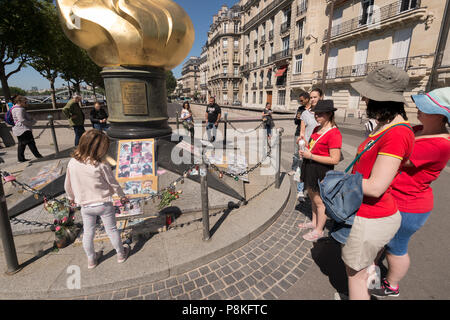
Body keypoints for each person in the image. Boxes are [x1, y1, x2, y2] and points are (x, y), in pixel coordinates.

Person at [341, 64, 415, 300]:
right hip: (372, 214)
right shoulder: (388, 127)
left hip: (373, 216)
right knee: (362, 270)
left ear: (382, 99)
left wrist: (342, 182)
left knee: (355, 275)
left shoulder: (397, 133)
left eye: (368, 94)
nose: (363, 98)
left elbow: (376, 186)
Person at [370, 87, 450, 298]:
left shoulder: (440, 144)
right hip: (398, 198)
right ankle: (373, 270)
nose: (418, 109)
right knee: (384, 241)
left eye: (426, 108)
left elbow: (397, 158)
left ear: (441, 116)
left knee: (396, 248)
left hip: (410, 205)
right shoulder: (418, 129)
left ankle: (392, 285)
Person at [64, 129, 130, 269]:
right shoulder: (100, 165)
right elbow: (113, 183)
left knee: (88, 232)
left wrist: (71, 197)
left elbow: (67, 184)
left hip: (85, 206)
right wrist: (122, 196)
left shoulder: (72, 163)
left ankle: (91, 260)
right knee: (111, 229)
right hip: (103, 203)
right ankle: (120, 254)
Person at [298, 100, 342, 242]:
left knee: (320, 201)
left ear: (329, 114)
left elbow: (334, 159)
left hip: (321, 170)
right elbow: (313, 146)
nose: (317, 116)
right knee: (311, 196)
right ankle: (314, 221)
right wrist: (305, 147)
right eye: (316, 114)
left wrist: (311, 156)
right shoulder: (317, 129)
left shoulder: (334, 133)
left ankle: (319, 230)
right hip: (310, 166)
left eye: (320, 114)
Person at [296, 88, 322, 199]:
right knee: (303, 169)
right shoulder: (305, 114)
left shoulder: (325, 113)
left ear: (321, 97)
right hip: (307, 146)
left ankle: (317, 189)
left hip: (320, 147)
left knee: (318, 170)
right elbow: (302, 131)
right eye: (311, 97)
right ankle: (300, 190)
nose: (312, 99)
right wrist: (301, 142)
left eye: (315, 97)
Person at [11, 95, 43, 162]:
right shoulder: (20, 109)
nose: (26, 104)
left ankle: (21, 159)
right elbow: (22, 120)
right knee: (31, 142)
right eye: (25, 102)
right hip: (23, 129)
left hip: (18, 129)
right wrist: (31, 122)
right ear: (20, 102)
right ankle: (38, 156)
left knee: (22, 144)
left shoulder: (13, 108)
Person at [289, 92, 309, 176]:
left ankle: (304, 170)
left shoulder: (312, 109)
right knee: (296, 153)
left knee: (306, 153)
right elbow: (295, 122)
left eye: (302, 100)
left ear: (307, 99)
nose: (300, 102)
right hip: (298, 133)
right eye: (300, 100)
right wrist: (297, 118)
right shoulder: (300, 108)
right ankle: (294, 169)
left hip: (308, 134)